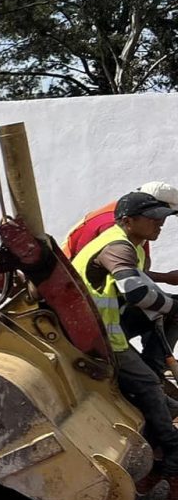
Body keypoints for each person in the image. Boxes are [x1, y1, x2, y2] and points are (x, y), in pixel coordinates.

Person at [72, 191, 178, 475]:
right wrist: (170, 306)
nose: (161, 224)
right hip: (100, 335)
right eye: (153, 219)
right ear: (128, 221)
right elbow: (136, 292)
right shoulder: (118, 245)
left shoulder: (133, 244)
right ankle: (172, 452)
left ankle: (155, 370)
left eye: (163, 218)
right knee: (148, 386)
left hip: (105, 326)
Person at [65, 181, 178, 376]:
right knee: (167, 308)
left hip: (110, 302)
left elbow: (131, 272)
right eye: (158, 214)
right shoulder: (115, 228)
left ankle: (154, 368)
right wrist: (166, 290)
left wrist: (165, 280)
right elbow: (130, 286)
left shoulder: (135, 226)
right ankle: (153, 369)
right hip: (91, 316)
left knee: (166, 306)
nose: (162, 222)